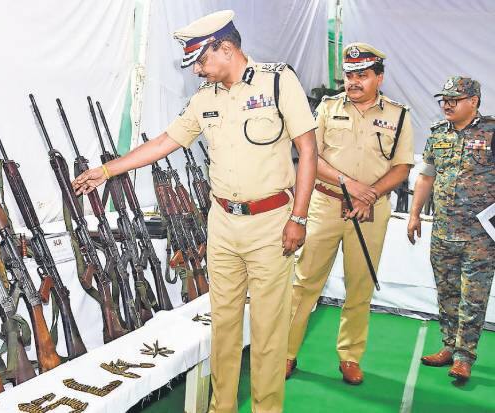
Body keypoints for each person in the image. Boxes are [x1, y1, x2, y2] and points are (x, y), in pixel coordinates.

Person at [73, 9, 317, 413]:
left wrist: (299, 217)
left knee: (268, 330)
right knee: (223, 326)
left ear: (226, 48)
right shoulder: (204, 99)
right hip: (222, 223)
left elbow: (307, 150)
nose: (197, 70)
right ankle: (222, 406)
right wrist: (107, 170)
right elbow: (165, 142)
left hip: (272, 224)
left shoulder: (278, 82)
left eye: (202, 60)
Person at [285, 43, 414, 384]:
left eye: (363, 75)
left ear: (379, 78)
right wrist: (351, 185)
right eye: (349, 75)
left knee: (360, 286)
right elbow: (310, 156)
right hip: (325, 205)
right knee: (304, 283)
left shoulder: (399, 115)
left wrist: (369, 195)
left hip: (370, 211)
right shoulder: (328, 108)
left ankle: (350, 357)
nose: (354, 81)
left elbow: (402, 167)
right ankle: (286, 353)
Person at [408, 76, 494, 382]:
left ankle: (464, 357)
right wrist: (415, 214)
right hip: (443, 231)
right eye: (444, 99)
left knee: (473, 298)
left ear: (473, 101)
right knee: (447, 293)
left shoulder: (491, 133)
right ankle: (449, 346)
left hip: (479, 237)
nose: (447, 104)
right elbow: (426, 177)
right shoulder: (437, 134)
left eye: (454, 99)